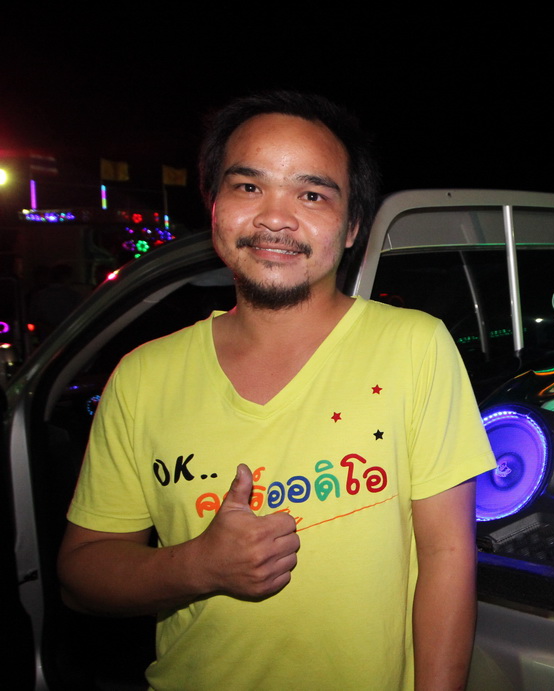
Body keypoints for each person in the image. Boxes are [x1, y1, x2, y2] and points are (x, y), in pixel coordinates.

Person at [57, 91, 495, 690]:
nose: (275, 218)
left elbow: (448, 557)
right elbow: (81, 576)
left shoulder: (415, 347)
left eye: (312, 195)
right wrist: (197, 566)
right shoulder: (141, 377)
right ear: (214, 205)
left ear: (352, 227)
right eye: (248, 186)